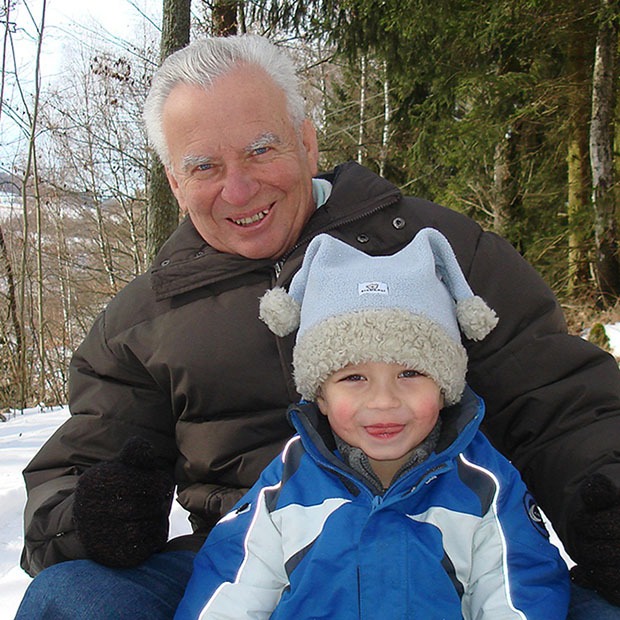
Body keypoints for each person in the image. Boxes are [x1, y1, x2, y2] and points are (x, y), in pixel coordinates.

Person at [15, 34, 620, 619]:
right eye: (204, 166)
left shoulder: (440, 252)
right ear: (174, 181)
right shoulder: (141, 324)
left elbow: (564, 403)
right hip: (246, 564)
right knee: (70, 599)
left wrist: (605, 497)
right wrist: (91, 515)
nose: (239, 187)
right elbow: (72, 470)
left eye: (260, 149)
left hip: (449, 550)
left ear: (306, 140)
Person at [174, 229, 571, 619]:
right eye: (353, 378)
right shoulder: (287, 485)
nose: (384, 401)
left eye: (411, 373)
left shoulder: (483, 484)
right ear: (321, 397)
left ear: (445, 387)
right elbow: (232, 582)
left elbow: (520, 586)